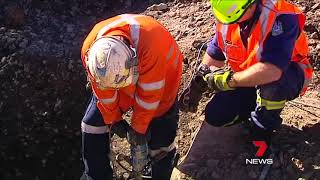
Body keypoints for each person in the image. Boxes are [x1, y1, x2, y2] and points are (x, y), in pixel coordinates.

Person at [180, 0, 313, 150]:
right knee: (216, 115)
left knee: (272, 87)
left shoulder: (281, 16)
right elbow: (215, 53)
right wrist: (199, 81)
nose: (231, 22)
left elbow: (273, 70)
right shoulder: (227, 15)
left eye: (236, 17)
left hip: (288, 75)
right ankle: (249, 114)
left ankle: (262, 130)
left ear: (251, 4)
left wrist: (230, 81)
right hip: (248, 77)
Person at [80, 14, 183, 180]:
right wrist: (114, 119)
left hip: (162, 77)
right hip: (118, 78)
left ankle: (159, 173)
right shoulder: (91, 52)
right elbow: (104, 94)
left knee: (160, 135)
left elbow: (150, 97)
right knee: (93, 124)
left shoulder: (152, 44)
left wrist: (138, 130)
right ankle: (96, 175)